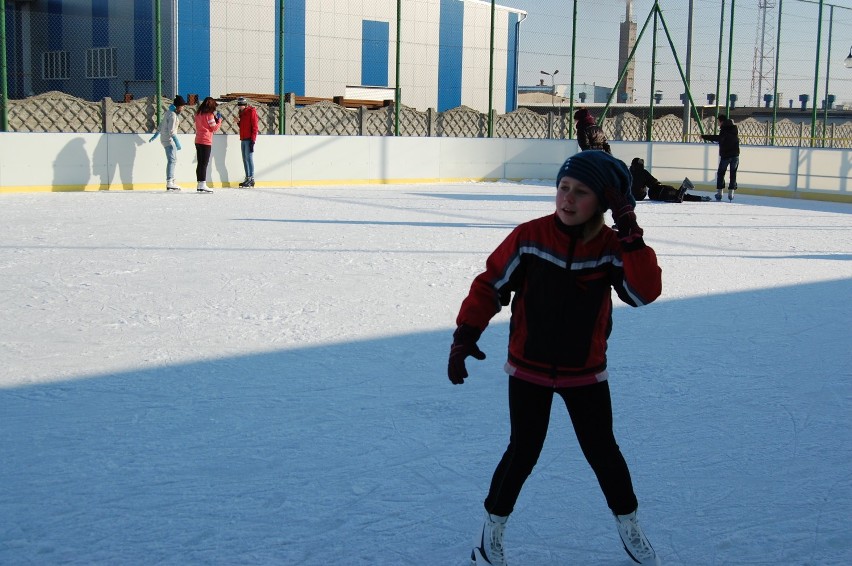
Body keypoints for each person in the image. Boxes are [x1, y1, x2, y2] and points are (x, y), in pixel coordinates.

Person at [448, 150, 662, 566]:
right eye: (562, 187)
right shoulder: (530, 236)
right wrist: (465, 335)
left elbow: (642, 293)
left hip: (585, 372)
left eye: (580, 192)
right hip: (528, 368)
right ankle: (491, 531)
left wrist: (631, 234)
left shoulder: (611, 245)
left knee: (603, 451)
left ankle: (629, 524)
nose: (566, 198)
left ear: (602, 202)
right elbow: (490, 284)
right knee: (523, 450)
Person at [629, 158, 711, 203]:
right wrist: (658, 184)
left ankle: (697, 197)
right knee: (674, 193)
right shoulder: (643, 172)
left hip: (630, 197)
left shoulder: (627, 172)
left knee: (674, 194)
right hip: (642, 195)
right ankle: (688, 191)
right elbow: (653, 182)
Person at [701, 114, 740, 202]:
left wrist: (704, 136)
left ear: (722, 121)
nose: (718, 124)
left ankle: (719, 193)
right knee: (733, 174)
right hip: (735, 155)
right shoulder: (734, 129)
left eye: (718, 122)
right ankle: (731, 193)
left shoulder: (724, 130)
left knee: (721, 173)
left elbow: (718, 138)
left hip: (726, 155)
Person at [194, 96, 223, 193]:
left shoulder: (198, 114)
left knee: (200, 163)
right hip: (206, 140)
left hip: (198, 140)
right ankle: (202, 184)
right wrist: (219, 121)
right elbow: (214, 128)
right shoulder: (209, 115)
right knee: (204, 163)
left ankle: (199, 183)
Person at [158, 95, 186, 191]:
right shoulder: (173, 115)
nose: (183, 108)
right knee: (172, 160)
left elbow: (161, 125)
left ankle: (171, 180)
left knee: (172, 160)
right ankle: (170, 181)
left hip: (165, 139)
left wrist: (157, 134)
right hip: (169, 140)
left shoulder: (169, 112)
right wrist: (176, 141)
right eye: (182, 106)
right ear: (178, 106)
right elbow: (171, 130)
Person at [235, 97, 260, 187]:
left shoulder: (251, 112)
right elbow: (243, 126)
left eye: (241, 105)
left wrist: (253, 140)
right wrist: (238, 122)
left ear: (245, 105)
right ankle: (247, 177)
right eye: (239, 105)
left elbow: (255, 127)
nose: (239, 107)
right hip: (243, 138)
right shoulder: (242, 113)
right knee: (245, 159)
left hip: (249, 139)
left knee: (249, 158)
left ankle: (251, 178)